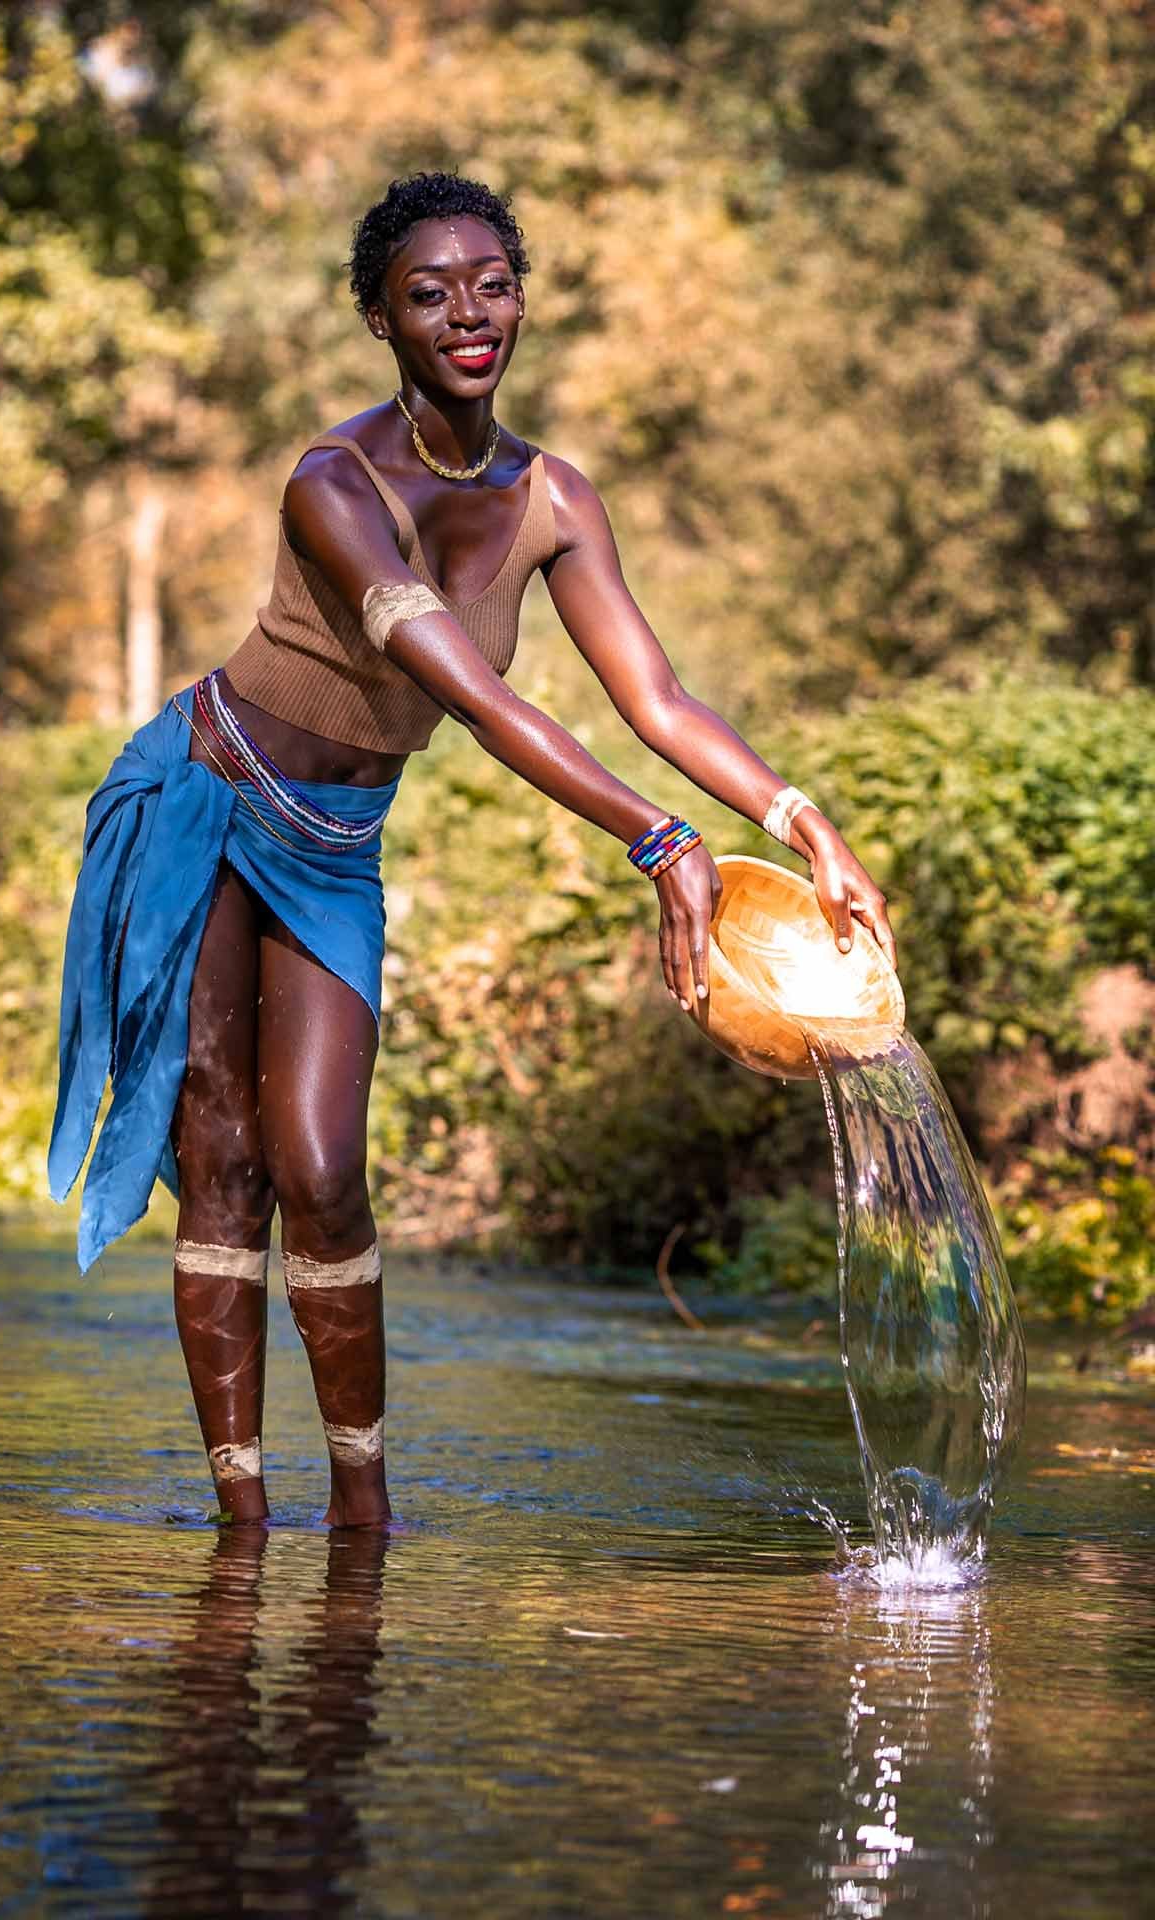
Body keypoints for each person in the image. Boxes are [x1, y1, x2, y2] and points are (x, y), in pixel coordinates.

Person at [50, 172, 894, 1531]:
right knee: (227, 1161)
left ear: (522, 298)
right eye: (429, 292)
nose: (467, 313)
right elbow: (474, 692)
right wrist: (654, 835)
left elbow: (658, 699)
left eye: (491, 284)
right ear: (377, 316)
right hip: (205, 801)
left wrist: (800, 820)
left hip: (334, 845)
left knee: (323, 1166)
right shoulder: (332, 482)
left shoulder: (555, 496)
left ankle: (366, 1517)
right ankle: (245, 1525)